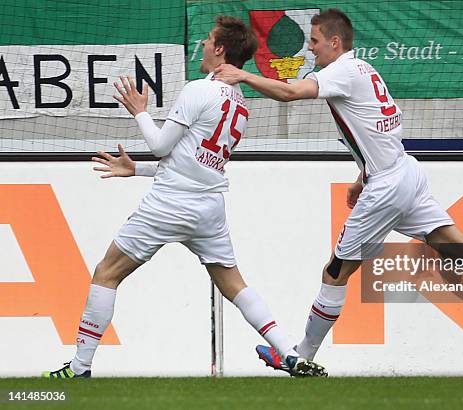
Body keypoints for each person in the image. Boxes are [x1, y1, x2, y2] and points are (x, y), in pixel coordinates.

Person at [213, 9, 463, 374]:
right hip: (404, 171)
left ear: (334, 41)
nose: (310, 48)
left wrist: (242, 76)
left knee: (335, 272)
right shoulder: (365, 69)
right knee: (458, 250)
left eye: (313, 41)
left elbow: (291, 93)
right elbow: (383, 127)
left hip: (388, 186)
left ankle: (300, 355)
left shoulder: (341, 70)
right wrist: (364, 175)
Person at [43, 16, 327, 378]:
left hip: (169, 202)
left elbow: (162, 147)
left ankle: (79, 368)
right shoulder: (240, 103)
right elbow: (195, 161)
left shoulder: (198, 89)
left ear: (220, 49)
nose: (204, 46)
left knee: (106, 273)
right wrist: (136, 170)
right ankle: (289, 353)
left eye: (209, 40)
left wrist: (141, 112)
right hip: (208, 207)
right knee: (234, 284)